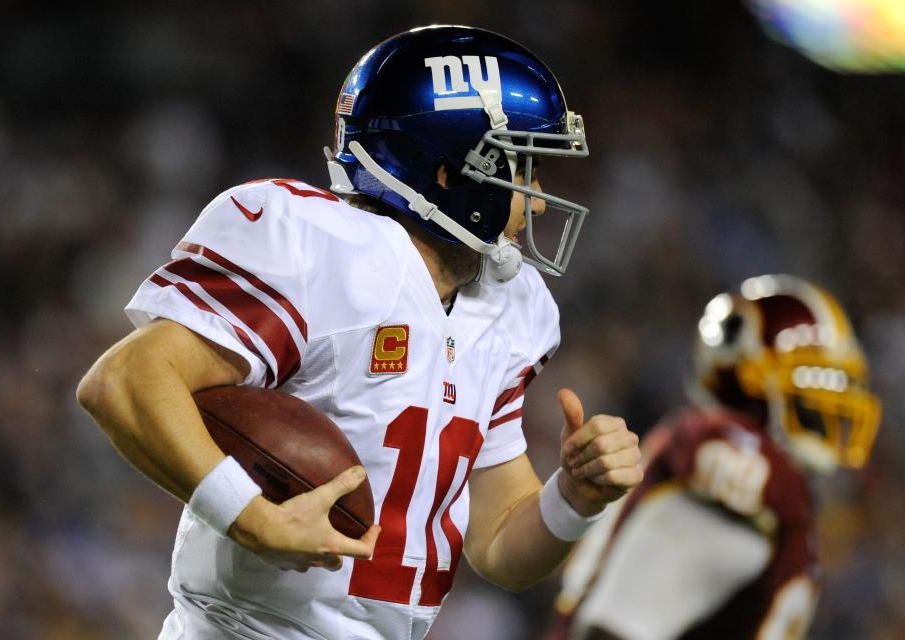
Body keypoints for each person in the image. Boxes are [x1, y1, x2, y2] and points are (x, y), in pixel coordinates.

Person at [77, 25, 643, 640]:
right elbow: (124, 380)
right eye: (524, 169)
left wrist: (575, 498)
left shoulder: (513, 307)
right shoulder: (321, 246)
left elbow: (501, 544)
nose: (536, 201)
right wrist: (248, 516)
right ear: (451, 173)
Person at [546, 274, 882, 640]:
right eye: (813, 377)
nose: (829, 404)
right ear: (750, 376)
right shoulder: (740, 470)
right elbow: (615, 630)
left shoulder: (772, 486)